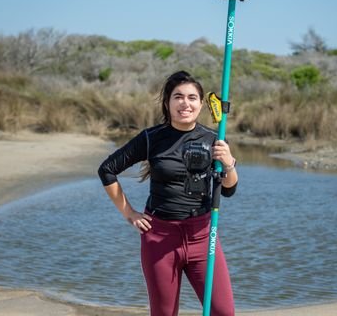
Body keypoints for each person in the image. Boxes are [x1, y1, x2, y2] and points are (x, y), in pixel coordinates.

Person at [98, 70, 238, 316]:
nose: (185, 103)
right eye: (178, 97)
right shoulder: (152, 139)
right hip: (160, 237)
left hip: (203, 237)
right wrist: (129, 213)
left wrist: (228, 163)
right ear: (167, 102)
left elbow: (228, 189)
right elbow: (107, 170)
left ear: (202, 103)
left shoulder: (214, 139)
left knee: (223, 312)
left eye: (192, 97)